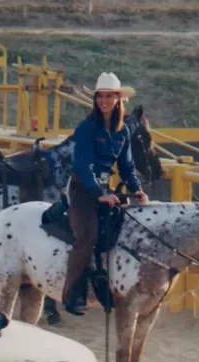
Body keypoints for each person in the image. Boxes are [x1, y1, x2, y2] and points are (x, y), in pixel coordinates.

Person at [62, 72, 149, 316]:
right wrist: (100, 193)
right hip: (82, 189)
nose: (104, 100)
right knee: (87, 236)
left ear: (119, 99)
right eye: (100, 96)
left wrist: (137, 190)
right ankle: (72, 295)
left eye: (109, 96)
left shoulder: (123, 132)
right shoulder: (87, 128)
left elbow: (126, 167)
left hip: (104, 189)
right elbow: (83, 165)